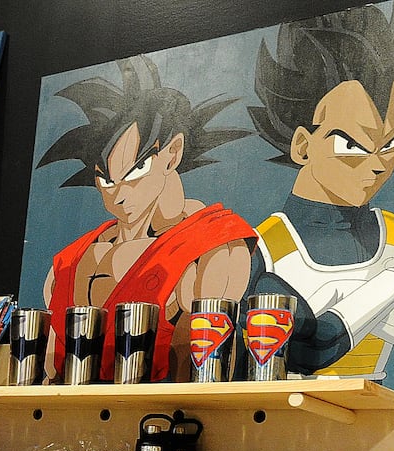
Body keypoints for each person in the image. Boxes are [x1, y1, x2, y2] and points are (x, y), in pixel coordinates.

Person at [244, 1, 394, 380]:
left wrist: (342, 306)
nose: (379, 163)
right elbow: (304, 352)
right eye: (351, 145)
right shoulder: (262, 249)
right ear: (303, 145)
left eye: (393, 143)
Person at [37, 56, 257, 380]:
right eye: (106, 181)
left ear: (173, 152)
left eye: (136, 170)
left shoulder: (215, 248)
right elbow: (50, 372)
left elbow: (206, 375)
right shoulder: (70, 263)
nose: (119, 193)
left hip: (164, 421)